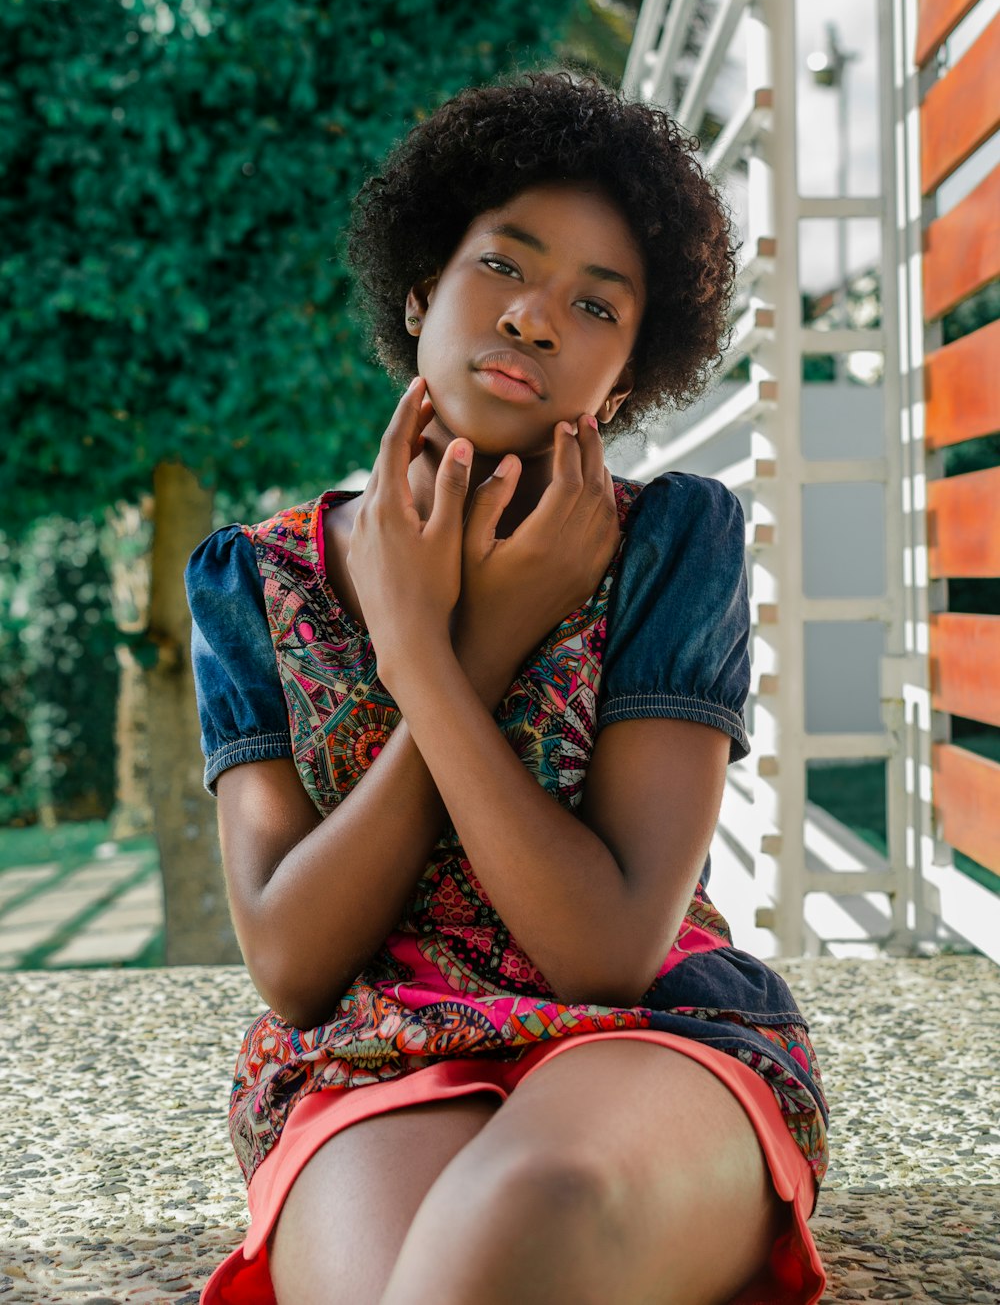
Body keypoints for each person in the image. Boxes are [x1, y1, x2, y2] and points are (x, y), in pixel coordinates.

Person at [186, 71, 829, 1305]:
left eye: (595, 303)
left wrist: (424, 661)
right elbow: (292, 958)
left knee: (517, 1222)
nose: (535, 317)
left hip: (655, 1041)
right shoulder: (253, 581)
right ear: (424, 286)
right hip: (368, 1054)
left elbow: (604, 948)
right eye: (503, 266)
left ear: (628, 379)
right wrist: (463, 651)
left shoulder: (670, 547)